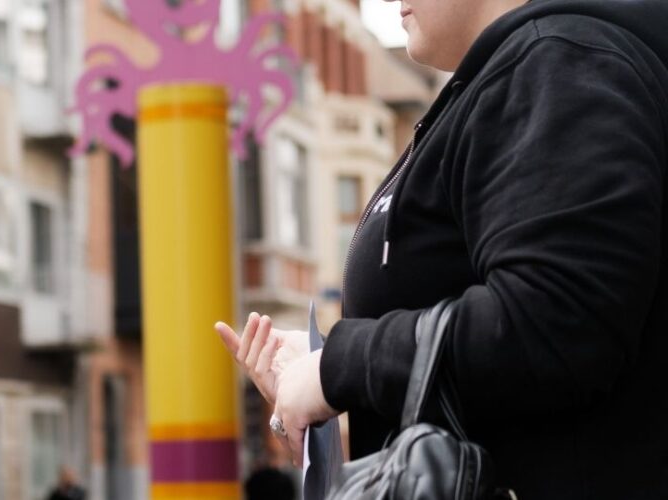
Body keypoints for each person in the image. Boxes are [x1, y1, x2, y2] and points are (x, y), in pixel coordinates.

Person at [216, 0, 668, 498]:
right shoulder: (526, 71)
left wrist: (338, 368)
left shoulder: (558, 63)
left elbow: (555, 322)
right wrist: (328, 366)